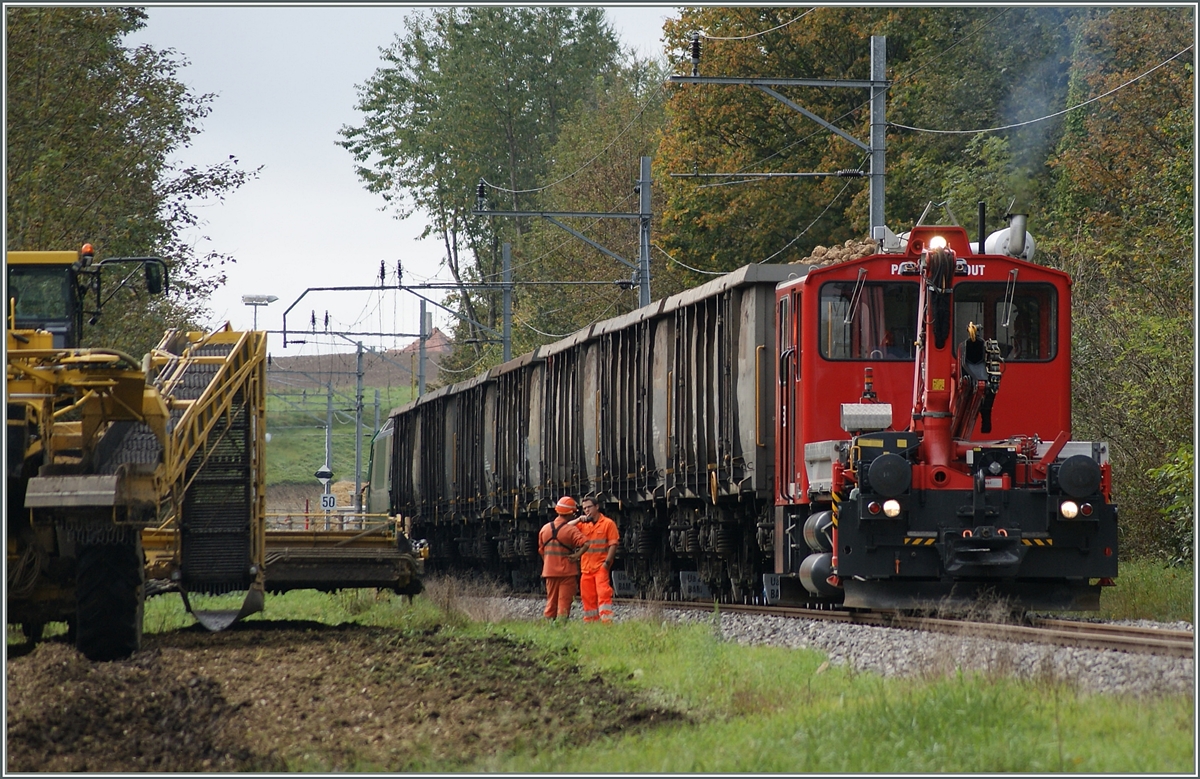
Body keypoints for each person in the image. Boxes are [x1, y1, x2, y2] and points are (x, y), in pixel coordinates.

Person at [571, 495, 620, 624]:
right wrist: (578, 519)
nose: (586, 510)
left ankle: (606, 622)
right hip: (586, 569)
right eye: (584, 508)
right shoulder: (582, 525)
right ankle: (591, 622)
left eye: (589, 507)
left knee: (603, 594)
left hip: (600, 568)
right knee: (587, 597)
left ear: (597, 507)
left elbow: (613, 544)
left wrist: (606, 564)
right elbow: (564, 528)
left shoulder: (608, 523)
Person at [537, 496, 586, 621]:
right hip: (567, 572)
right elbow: (586, 543)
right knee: (564, 602)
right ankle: (561, 625)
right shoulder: (571, 530)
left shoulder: (544, 529)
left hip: (549, 572)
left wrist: (548, 563)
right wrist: (577, 555)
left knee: (551, 601)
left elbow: (541, 550)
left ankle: (549, 625)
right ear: (570, 514)